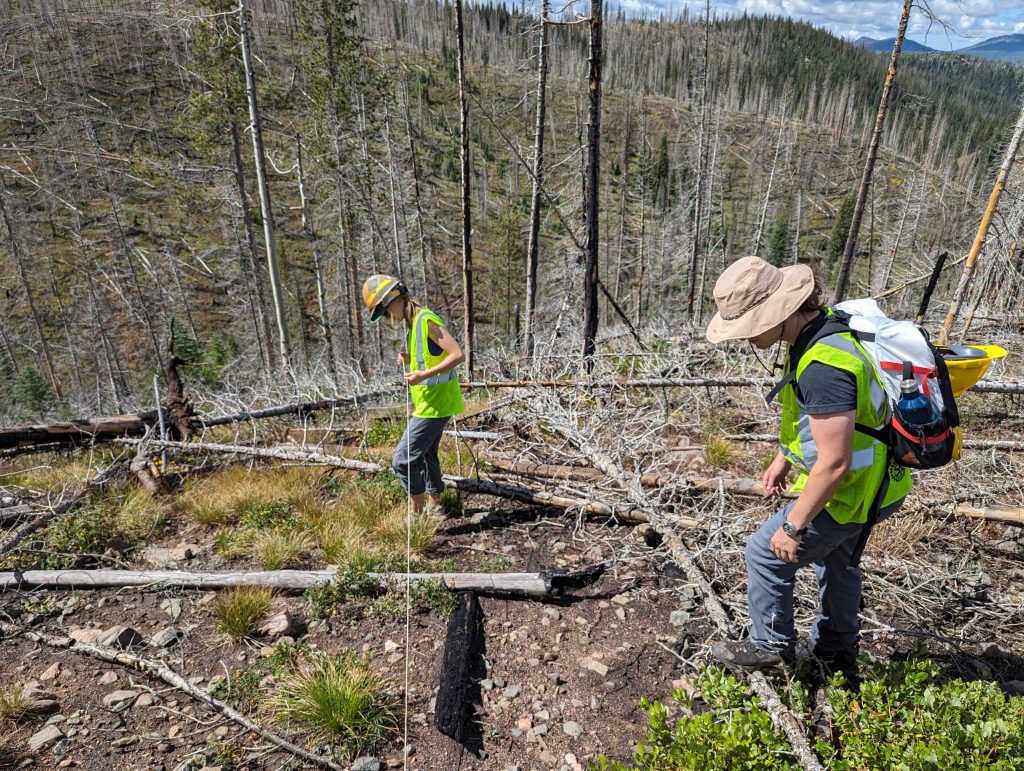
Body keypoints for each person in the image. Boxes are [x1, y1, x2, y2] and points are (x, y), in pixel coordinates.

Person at [704, 256, 911, 679]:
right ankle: (837, 651)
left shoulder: (822, 366)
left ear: (779, 313)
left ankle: (772, 648)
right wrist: (785, 456)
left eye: (748, 326)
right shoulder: (822, 328)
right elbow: (828, 425)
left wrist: (795, 524)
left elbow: (835, 463)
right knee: (839, 561)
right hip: (882, 484)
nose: (744, 338)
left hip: (852, 491)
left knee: (765, 554)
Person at [361, 275, 465, 515]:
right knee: (427, 454)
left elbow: (457, 355)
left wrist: (422, 374)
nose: (389, 318)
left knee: (402, 460)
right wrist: (409, 360)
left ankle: (415, 514)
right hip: (429, 403)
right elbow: (431, 355)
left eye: (386, 312)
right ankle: (436, 506)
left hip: (435, 405)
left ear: (393, 298)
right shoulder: (414, 324)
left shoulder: (426, 319)